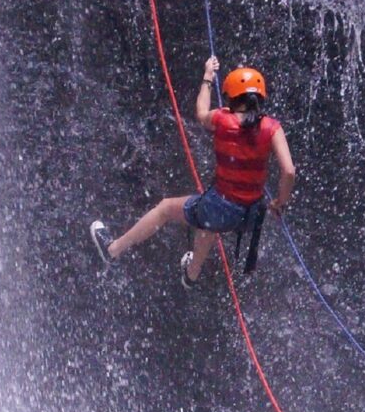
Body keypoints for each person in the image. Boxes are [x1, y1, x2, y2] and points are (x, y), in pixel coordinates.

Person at [90, 56, 297, 289]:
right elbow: (288, 171)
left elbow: (200, 112)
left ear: (232, 97)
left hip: (221, 208)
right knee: (207, 219)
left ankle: (113, 250)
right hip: (250, 216)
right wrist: (280, 201)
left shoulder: (222, 119)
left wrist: (208, 76)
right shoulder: (272, 127)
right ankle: (191, 274)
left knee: (168, 209)